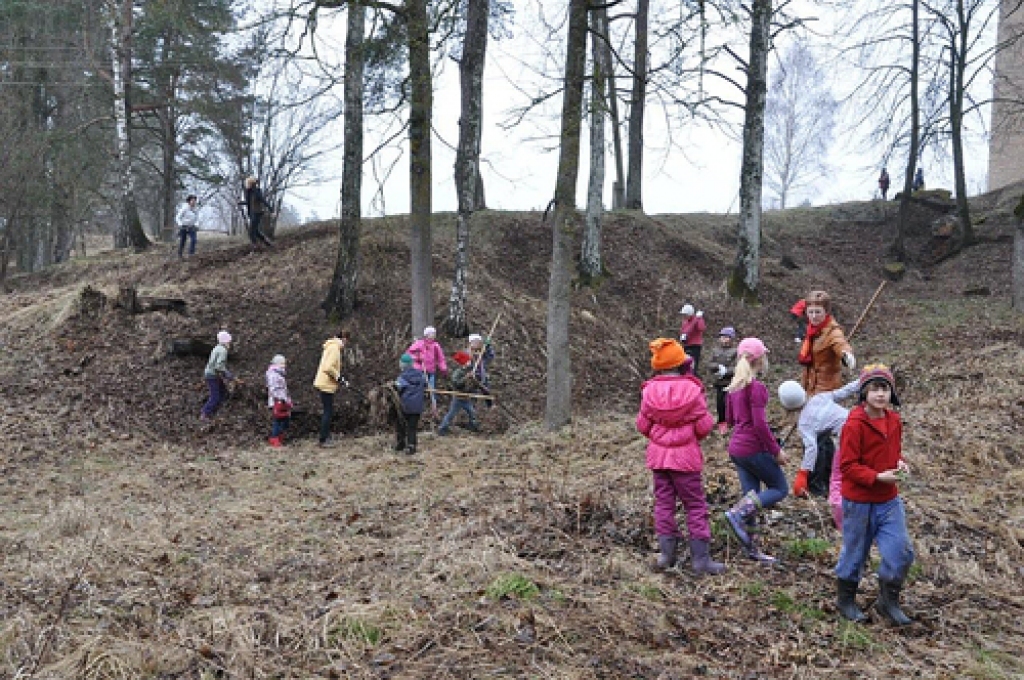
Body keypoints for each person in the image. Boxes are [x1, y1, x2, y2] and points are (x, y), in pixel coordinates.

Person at [637, 338, 724, 575]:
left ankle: (666, 555)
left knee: (664, 504)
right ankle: (700, 560)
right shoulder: (693, 390)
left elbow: (642, 426)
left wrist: (660, 434)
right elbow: (704, 427)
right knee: (695, 506)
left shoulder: (648, 391)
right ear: (680, 363)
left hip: (659, 459)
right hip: (686, 459)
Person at [835, 364, 913, 626]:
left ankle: (888, 600)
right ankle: (845, 599)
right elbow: (847, 465)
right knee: (855, 551)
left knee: (900, 551)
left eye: (885, 389)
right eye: (874, 389)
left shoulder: (894, 421)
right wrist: (876, 477)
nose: (880, 394)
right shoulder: (854, 425)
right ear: (864, 393)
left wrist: (899, 463)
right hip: (858, 501)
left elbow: (892, 452)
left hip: (888, 500)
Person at [723, 337, 788, 564]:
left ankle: (753, 550)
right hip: (752, 448)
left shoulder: (733, 388)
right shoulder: (756, 388)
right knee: (780, 488)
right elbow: (759, 425)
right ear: (759, 359)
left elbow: (730, 420)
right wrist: (776, 451)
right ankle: (736, 514)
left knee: (751, 499)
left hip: (737, 449)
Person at [779, 378, 860, 503]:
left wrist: (803, 473)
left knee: (845, 466)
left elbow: (812, 448)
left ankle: (838, 495)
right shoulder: (820, 397)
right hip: (860, 422)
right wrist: (862, 380)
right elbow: (845, 391)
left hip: (848, 436)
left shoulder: (804, 423)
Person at [798, 290, 855, 396]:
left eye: (818, 312)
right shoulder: (812, 330)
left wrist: (846, 354)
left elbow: (840, 343)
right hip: (810, 387)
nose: (814, 316)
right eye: (811, 312)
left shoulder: (832, 331)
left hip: (827, 390)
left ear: (826, 312)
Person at [313, 329, 349, 448]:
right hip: (326, 384)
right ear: (344, 338)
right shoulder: (335, 348)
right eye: (346, 340)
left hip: (324, 382)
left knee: (327, 410)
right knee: (328, 412)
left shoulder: (331, 346)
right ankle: (324, 439)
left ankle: (325, 436)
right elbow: (328, 367)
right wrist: (339, 378)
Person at [406, 326, 448, 415]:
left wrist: (443, 369)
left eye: (434, 334)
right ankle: (416, 406)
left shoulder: (436, 345)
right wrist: (417, 357)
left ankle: (434, 409)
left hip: (431, 371)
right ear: (426, 335)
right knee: (419, 389)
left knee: (432, 390)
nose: (433, 335)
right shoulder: (419, 344)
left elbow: (440, 359)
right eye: (431, 333)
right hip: (420, 370)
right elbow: (409, 354)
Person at [438, 351, 479, 436]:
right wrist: (466, 378)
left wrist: (473, 380)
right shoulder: (458, 372)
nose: (470, 362)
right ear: (463, 363)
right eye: (468, 361)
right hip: (458, 398)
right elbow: (456, 383)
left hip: (466, 398)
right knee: (451, 414)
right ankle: (442, 428)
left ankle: (473, 426)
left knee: (472, 413)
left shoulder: (469, 371)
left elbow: (472, 385)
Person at [705, 327, 737, 435]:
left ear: (731, 339)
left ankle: (732, 421)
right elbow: (709, 363)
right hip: (719, 382)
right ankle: (722, 422)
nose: (724, 339)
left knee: (731, 403)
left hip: (731, 383)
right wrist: (718, 367)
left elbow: (737, 367)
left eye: (726, 337)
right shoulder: (715, 350)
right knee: (720, 403)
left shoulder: (735, 351)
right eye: (722, 337)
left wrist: (726, 371)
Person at [394, 353, 426, 454]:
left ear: (403, 365)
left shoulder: (402, 377)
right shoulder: (421, 375)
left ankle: (401, 443)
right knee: (412, 427)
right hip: (417, 407)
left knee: (401, 425)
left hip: (405, 406)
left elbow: (398, 388)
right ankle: (412, 446)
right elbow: (425, 384)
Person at [201, 331, 233, 420]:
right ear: (226, 341)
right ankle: (205, 412)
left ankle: (220, 409)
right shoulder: (223, 351)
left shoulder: (217, 347)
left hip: (212, 373)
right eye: (229, 341)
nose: (230, 343)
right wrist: (227, 373)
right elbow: (218, 366)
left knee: (223, 391)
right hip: (212, 375)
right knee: (215, 396)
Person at [266, 354, 292, 448]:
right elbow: (274, 389)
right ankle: (275, 438)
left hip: (282, 400)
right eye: (282, 363)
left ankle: (279, 437)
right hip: (278, 401)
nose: (284, 365)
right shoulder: (273, 375)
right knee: (278, 420)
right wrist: (280, 399)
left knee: (284, 419)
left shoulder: (278, 373)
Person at [243, 176, 275, 247]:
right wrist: (241, 202)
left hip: (257, 213)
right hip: (252, 213)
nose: (246, 184)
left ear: (250, 183)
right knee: (256, 231)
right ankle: (267, 243)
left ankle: (255, 246)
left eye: (247, 183)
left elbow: (263, 200)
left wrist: (271, 210)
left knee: (251, 232)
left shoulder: (256, 191)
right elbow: (249, 203)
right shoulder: (249, 192)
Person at [468, 333, 495, 407]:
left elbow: (490, 356)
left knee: (487, 391)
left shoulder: (482, 354)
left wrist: (488, 346)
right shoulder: (467, 353)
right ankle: (471, 408)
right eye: (475, 342)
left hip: (482, 377)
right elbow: (463, 365)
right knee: (473, 394)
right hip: (472, 378)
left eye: (478, 342)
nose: (477, 343)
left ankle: (490, 406)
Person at [678, 304, 706, 373]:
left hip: (695, 346)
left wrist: (699, 319)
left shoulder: (697, 319)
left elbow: (701, 328)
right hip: (686, 345)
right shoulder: (685, 322)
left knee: (693, 366)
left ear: (690, 314)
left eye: (685, 314)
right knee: (684, 365)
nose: (684, 316)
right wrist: (682, 336)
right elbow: (683, 331)